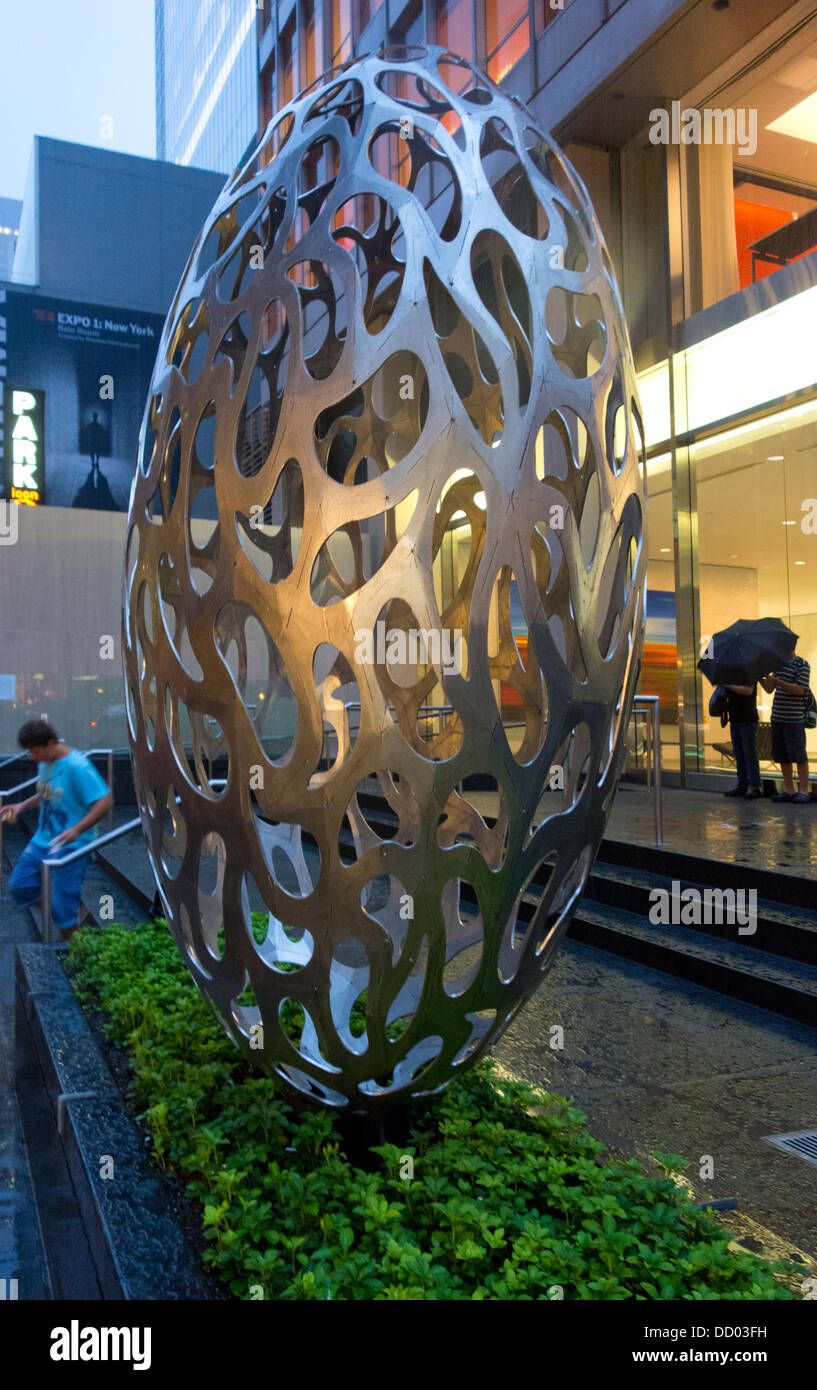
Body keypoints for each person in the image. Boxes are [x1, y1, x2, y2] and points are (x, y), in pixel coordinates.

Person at [0, 719, 113, 939]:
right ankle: (70, 913)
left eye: (34, 751)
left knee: (63, 911)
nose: (32, 757)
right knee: (20, 887)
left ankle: (78, 951)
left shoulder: (77, 766)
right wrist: (20, 806)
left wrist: (78, 830)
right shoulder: (46, 762)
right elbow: (46, 793)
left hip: (72, 844)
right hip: (43, 839)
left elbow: (105, 801)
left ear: (50, 743)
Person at [760, 647, 812, 803]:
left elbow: (801, 689)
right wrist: (760, 679)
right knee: (782, 755)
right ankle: (789, 789)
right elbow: (770, 689)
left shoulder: (802, 664)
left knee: (799, 755)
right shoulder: (777, 665)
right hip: (777, 717)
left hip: (794, 718)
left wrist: (778, 681)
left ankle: (803, 790)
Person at [722, 682, 762, 798]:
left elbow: (748, 690)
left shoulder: (748, 671)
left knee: (749, 754)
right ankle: (742, 785)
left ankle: (755, 786)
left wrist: (727, 685)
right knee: (739, 754)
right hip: (735, 718)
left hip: (748, 719)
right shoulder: (731, 676)